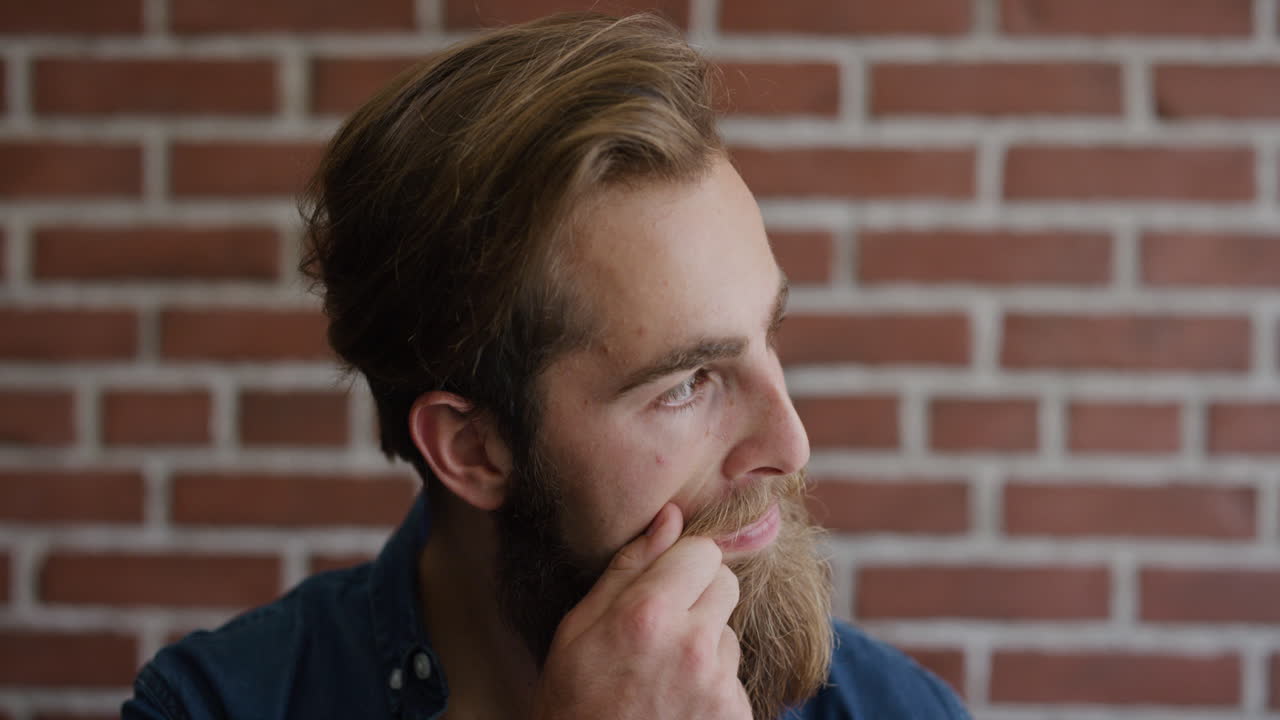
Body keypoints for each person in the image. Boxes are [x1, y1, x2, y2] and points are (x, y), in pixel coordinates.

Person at [123, 12, 970, 720]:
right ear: (473, 448)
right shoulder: (214, 708)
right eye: (687, 383)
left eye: (767, 337)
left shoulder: (895, 710)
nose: (791, 442)